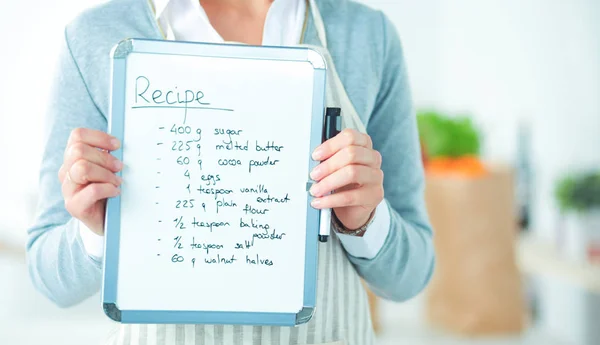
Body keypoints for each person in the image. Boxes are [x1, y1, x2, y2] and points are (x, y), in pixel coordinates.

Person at [26, 0, 435, 344]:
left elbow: (410, 276)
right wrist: (97, 232)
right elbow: (50, 279)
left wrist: (366, 222)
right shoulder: (93, 37)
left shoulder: (368, 36)